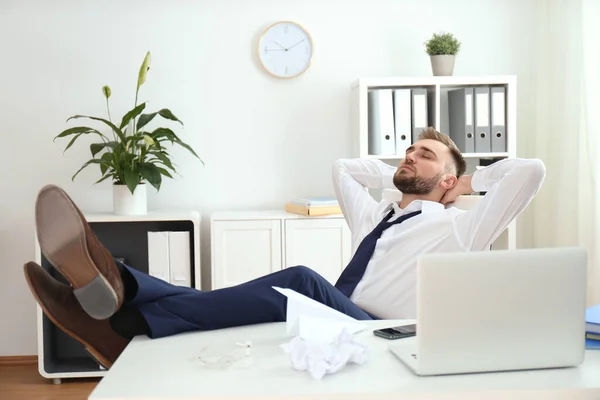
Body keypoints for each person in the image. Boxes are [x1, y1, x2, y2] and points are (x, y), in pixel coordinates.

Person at [23, 127, 546, 369]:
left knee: (299, 280)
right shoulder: (379, 214)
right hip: (347, 318)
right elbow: (343, 170)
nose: (409, 157)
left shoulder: (462, 229)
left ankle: (118, 293)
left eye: (423, 154)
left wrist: (464, 182)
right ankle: (119, 303)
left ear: (452, 181)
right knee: (281, 289)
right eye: (407, 150)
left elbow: (530, 172)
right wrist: (400, 173)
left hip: (381, 335)